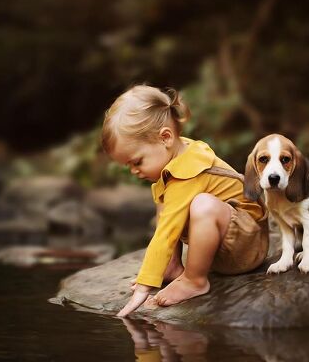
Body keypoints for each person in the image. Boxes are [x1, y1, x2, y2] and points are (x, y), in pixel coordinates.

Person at [101, 85, 268, 317]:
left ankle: (195, 281)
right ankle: (172, 266)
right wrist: (158, 270)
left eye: (137, 161)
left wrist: (144, 286)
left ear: (166, 138)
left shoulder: (189, 171)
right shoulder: (177, 155)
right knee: (166, 192)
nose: (133, 171)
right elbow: (169, 217)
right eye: (128, 165)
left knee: (202, 204)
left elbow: (166, 233)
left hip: (246, 248)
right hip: (223, 244)